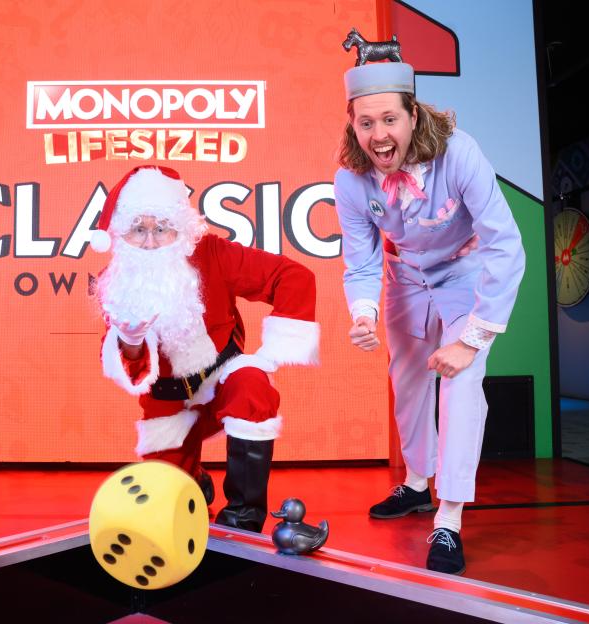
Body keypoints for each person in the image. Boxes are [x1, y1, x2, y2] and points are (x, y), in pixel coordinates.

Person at [333, 59, 525, 574]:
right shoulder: (350, 180)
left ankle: (450, 516)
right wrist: (363, 312)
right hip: (405, 279)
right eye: (365, 122)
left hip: (464, 273)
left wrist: (473, 338)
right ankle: (418, 484)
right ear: (352, 123)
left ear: (412, 115)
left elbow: (506, 246)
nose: (378, 135)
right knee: (410, 384)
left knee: (461, 384)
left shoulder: (458, 154)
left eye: (389, 119)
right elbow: (362, 259)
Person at [91, 165, 319, 533]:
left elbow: (291, 276)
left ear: (179, 227)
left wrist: (273, 353)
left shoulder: (213, 253)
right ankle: (192, 479)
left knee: (251, 385)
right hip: (166, 401)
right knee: (163, 513)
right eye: (138, 230)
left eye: (161, 228)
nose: (150, 241)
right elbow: (127, 370)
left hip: (221, 378)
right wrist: (131, 342)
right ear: (121, 234)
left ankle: (244, 515)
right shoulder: (116, 281)